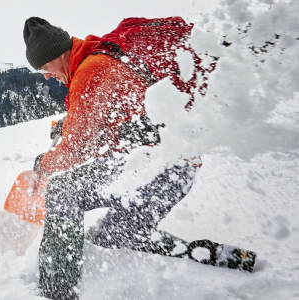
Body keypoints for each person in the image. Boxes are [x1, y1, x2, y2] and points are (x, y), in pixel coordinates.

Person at [21, 17, 256, 300]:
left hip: (153, 166)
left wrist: (41, 166)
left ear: (58, 53)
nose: (46, 75)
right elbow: (109, 118)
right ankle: (213, 254)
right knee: (114, 236)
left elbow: (76, 149)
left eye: (45, 67)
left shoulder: (91, 69)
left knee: (62, 192)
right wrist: (67, 125)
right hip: (176, 171)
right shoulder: (103, 58)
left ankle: (55, 292)